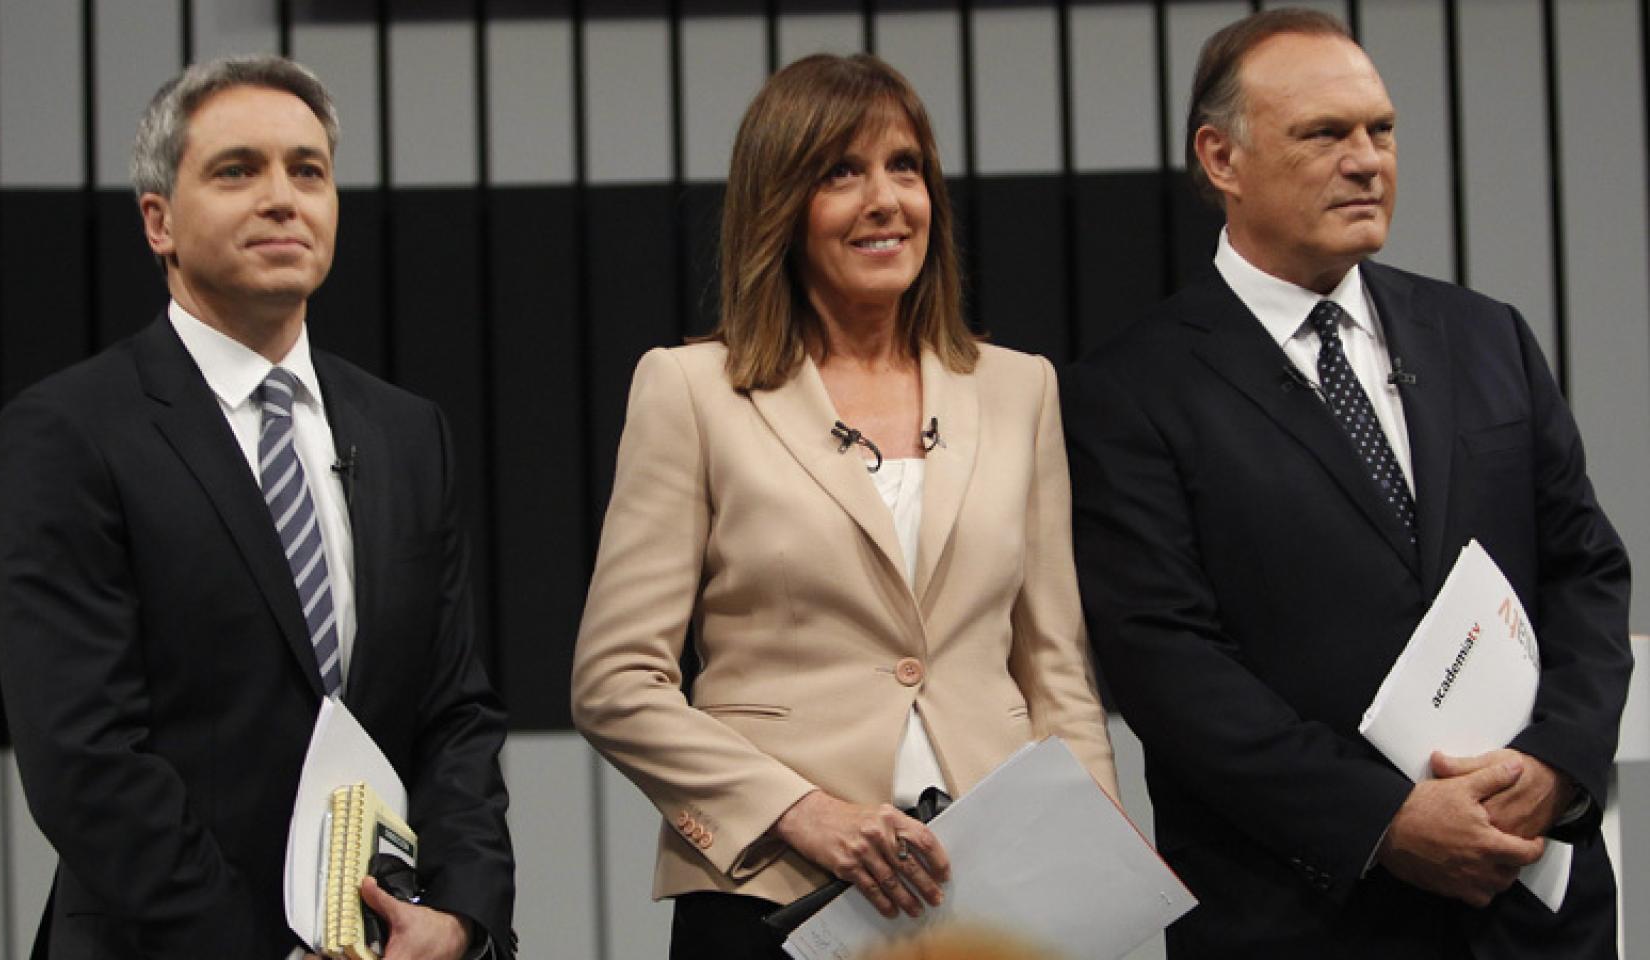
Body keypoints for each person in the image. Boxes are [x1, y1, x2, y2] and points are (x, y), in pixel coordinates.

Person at [1063, 9, 1631, 958]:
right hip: (1302, 916)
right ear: (1221, 158)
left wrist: (1557, 766)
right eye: (1324, 134)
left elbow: (1584, 570)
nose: (1367, 160)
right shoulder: (1127, 388)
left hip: (1531, 909)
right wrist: (1388, 822)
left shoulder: (1487, 335)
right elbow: (1166, 661)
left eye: (1381, 129)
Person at [571, 53, 1117, 958]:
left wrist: (1092, 869)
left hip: (988, 892)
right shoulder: (692, 391)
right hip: (774, 895)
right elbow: (616, 684)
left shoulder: (1021, 390)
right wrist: (800, 811)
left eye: (905, 167)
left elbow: (1055, 673)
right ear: (780, 207)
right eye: (840, 173)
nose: (885, 200)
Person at [0, 56, 515, 959]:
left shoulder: (406, 432)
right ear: (159, 221)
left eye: (308, 170)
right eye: (238, 171)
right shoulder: (69, 431)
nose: (283, 198)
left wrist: (461, 920)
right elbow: (86, 758)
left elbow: (453, 714)